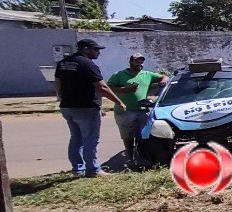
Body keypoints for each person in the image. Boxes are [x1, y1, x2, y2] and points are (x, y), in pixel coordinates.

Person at [54, 39, 126, 177]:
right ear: (86, 49)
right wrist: (119, 102)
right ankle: (93, 170)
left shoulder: (63, 63)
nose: (98, 52)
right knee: (90, 139)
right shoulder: (87, 64)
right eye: (96, 49)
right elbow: (102, 87)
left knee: (76, 138)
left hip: (67, 107)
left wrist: (64, 99)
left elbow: (57, 85)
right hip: (86, 107)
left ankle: (77, 169)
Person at [107, 53, 169, 168]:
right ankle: (130, 158)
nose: (139, 63)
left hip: (142, 110)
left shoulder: (147, 74)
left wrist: (164, 81)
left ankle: (142, 158)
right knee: (128, 136)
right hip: (124, 111)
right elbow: (109, 87)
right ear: (130, 62)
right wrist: (125, 89)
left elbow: (164, 77)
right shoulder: (119, 75)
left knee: (143, 135)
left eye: (141, 61)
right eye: (136, 61)